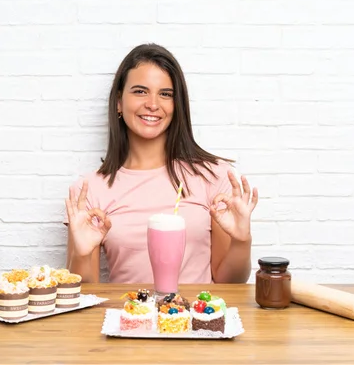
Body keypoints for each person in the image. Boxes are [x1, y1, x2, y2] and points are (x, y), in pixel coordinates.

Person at [64, 43, 258, 284]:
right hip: (129, 319)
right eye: (140, 91)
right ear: (118, 102)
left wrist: (242, 241)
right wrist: (81, 255)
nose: (153, 104)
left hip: (195, 320)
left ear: (176, 105)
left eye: (165, 94)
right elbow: (85, 295)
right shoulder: (88, 191)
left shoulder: (214, 177)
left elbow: (230, 283)